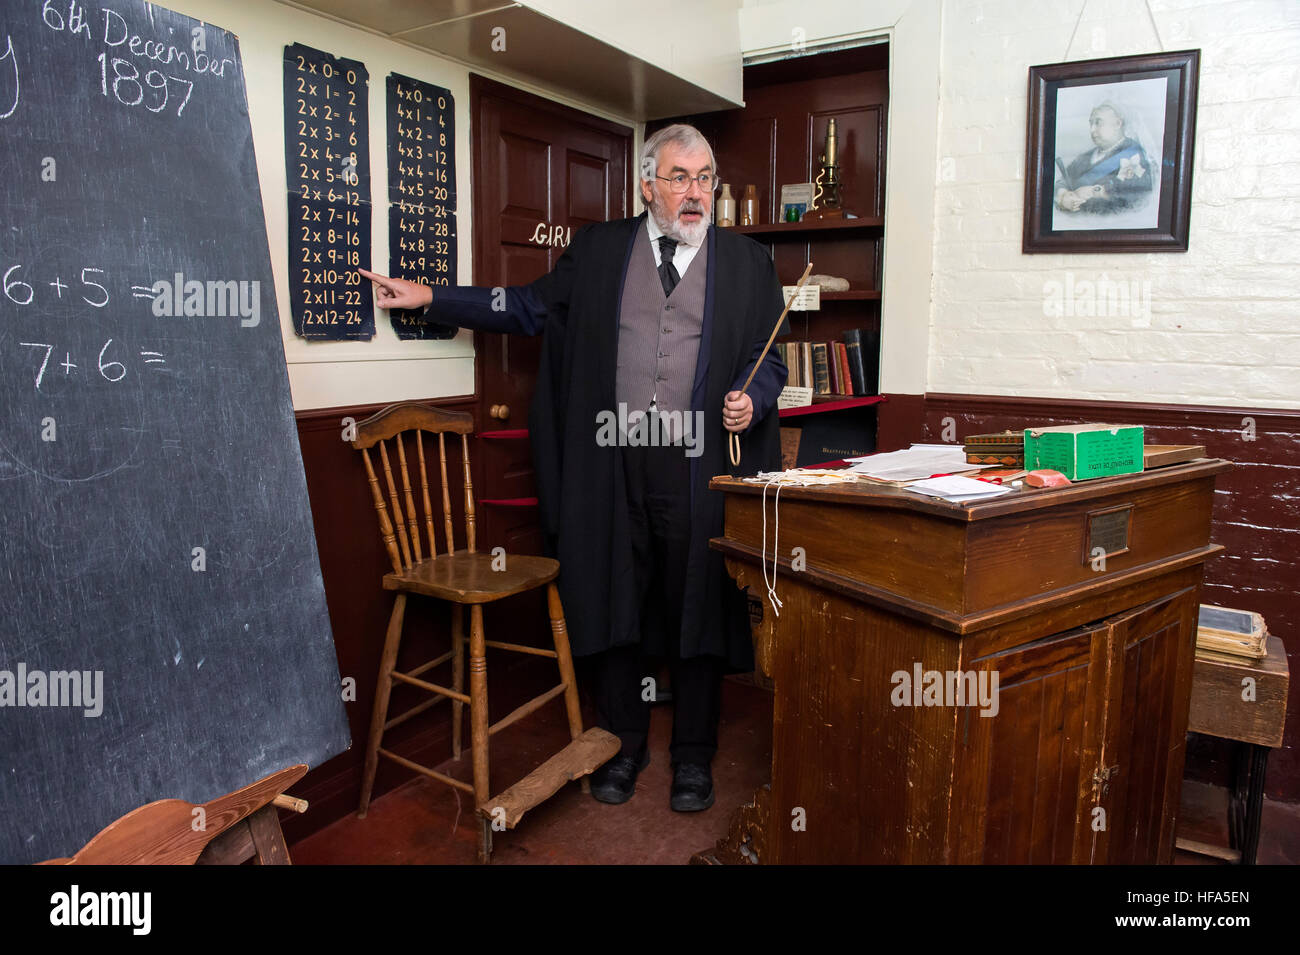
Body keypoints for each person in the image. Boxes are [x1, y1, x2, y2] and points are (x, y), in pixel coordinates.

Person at [358, 124, 787, 812]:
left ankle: (693, 756)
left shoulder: (749, 265)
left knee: (696, 604)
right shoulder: (599, 252)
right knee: (617, 596)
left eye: (705, 177)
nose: (694, 192)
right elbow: (527, 308)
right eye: (679, 176)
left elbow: (773, 360)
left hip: (697, 465)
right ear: (648, 184)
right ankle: (621, 742)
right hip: (610, 461)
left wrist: (752, 400)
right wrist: (431, 297)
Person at [1054, 102, 1154, 215]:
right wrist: (1063, 196)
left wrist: (1096, 191)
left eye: (1098, 123)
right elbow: (1062, 181)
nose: (1092, 130)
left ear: (1117, 124)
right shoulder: (1084, 157)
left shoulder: (1134, 154)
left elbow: (1138, 193)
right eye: (1091, 124)